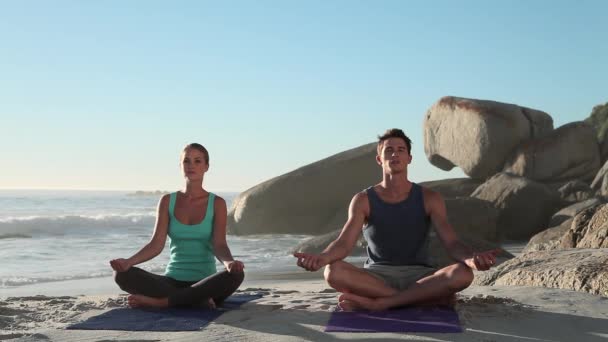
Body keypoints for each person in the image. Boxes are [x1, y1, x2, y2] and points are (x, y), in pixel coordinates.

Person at [294, 129, 498, 311]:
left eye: (401, 150)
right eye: (389, 150)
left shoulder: (430, 198)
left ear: (409, 158)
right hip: (376, 277)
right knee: (333, 271)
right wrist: (321, 258)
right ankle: (422, 300)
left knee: (463, 274)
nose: (395, 154)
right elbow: (344, 243)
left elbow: (452, 243)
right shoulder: (363, 199)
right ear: (379, 159)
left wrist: (472, 259)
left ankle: (382, 303)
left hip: (420, 277)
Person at [110, 143, 244, 308]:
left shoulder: (217, 203)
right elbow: (156, 245)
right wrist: (129, 262)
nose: (191, 166)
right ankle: (194, 301)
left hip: (205, 282)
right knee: (121, 275)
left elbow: (219, 245)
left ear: (206, 167)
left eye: (197, 161)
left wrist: (229, 263)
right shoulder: (167, 201)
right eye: (186, 161)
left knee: (236, 275)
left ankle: (163, 302)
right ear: (180, 166)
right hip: (171, 282)